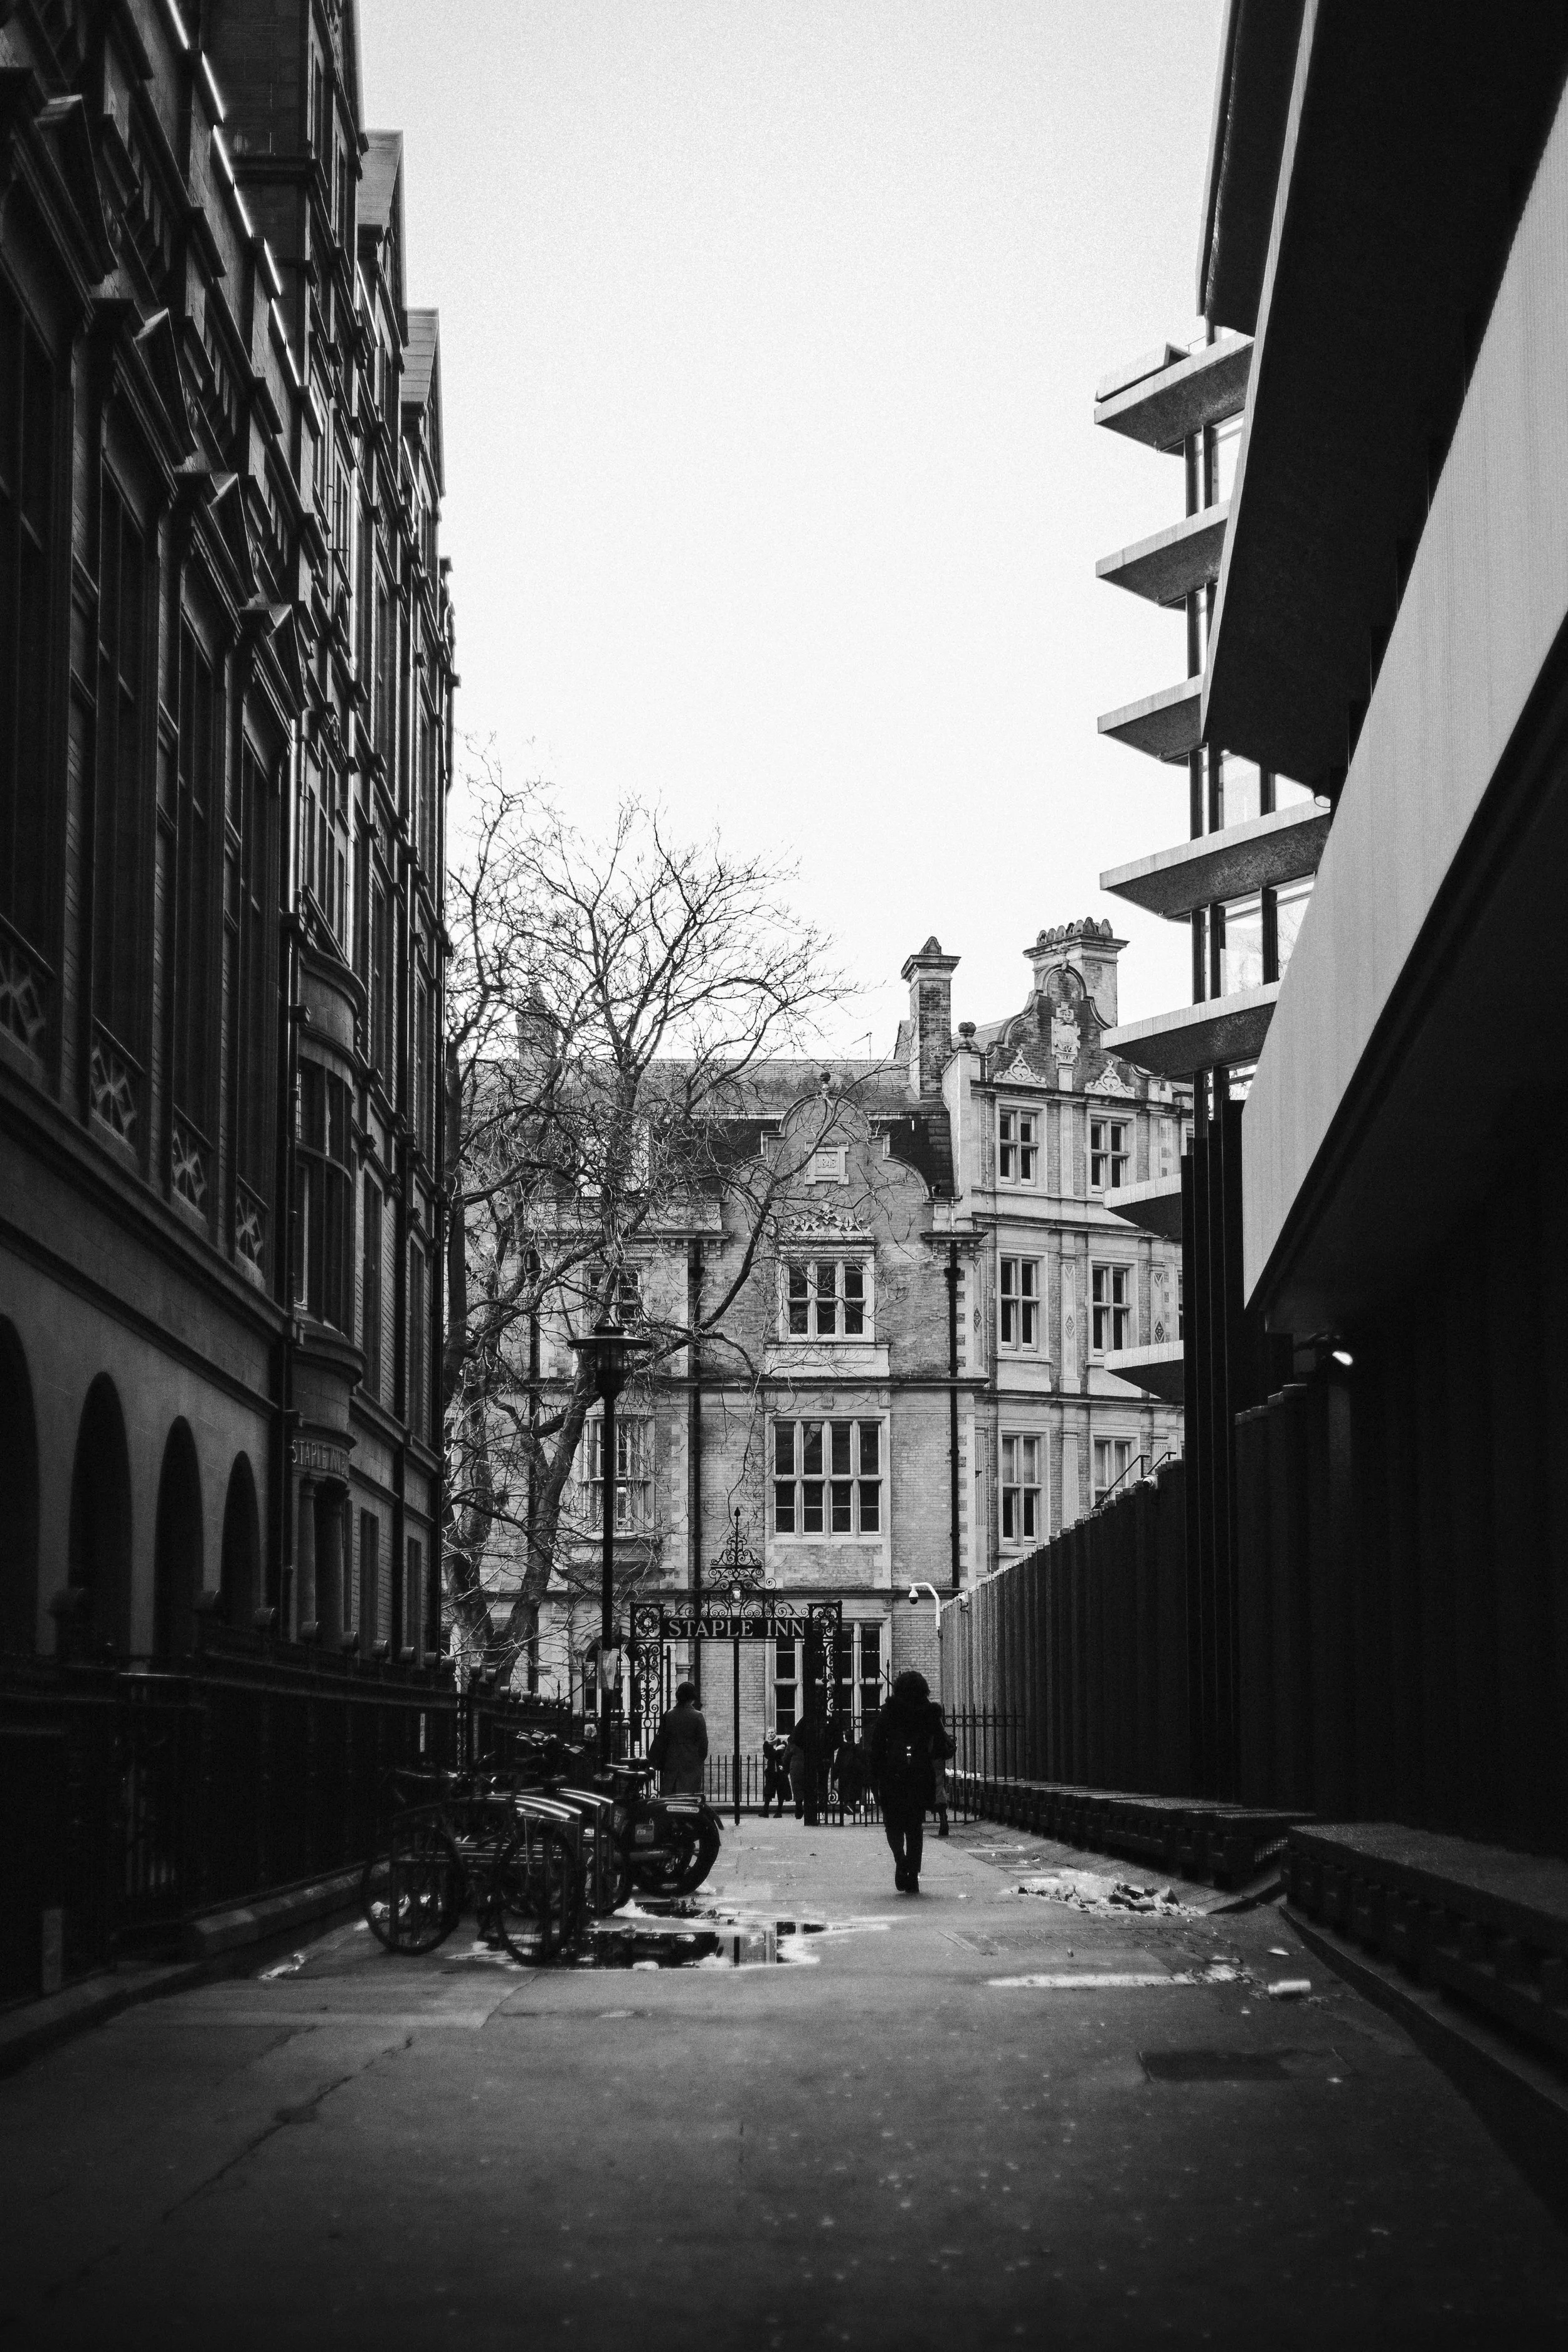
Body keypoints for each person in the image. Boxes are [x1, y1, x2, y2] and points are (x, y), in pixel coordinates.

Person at [870, 1670, 955, 1895]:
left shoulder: (889, 1712)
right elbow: (940, 1747)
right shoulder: (929, 1713)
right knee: (914, 1827)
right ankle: (913, 1875)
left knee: (893, 1824)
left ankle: (901, 1861)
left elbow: (876, 1745)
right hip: (919, 1776)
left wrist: (876, 1773)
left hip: (893, 1775)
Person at [647, 1681, 707, 1796]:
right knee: (688, 1802)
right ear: (692, 1698)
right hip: (691, 1766)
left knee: (670, 1801)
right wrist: (697, 1759)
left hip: (671, 1765)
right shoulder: (698, 1717)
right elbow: (704, 1745)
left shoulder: (669, 1715)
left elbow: (662, 1740)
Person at [761, 1730, 791, 1816]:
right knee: (768, 1792)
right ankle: (765, 1812)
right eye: (769, 1733)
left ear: (775, 1734)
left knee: (781, 1791)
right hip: (771, 1771)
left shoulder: (782, 1743)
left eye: (772, 1733)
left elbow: (784, 1756)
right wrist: (777, 1749)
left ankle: (779, 1812)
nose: (770, 1734)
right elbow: (769, 1756)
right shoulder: (766, 1744)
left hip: (780, 1771)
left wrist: (775, 1752)